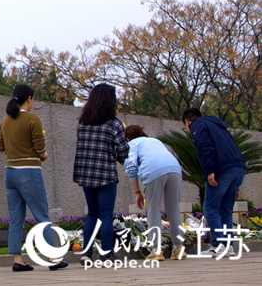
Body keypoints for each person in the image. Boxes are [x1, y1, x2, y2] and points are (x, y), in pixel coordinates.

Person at [0, 85, 67, 272]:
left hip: (9, 172)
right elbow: (39, 146)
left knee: (15, 218)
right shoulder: (32, 119)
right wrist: (43, 155)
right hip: (28, 172)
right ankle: (52, 256)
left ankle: (17, 259)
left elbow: (1, 147)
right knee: (41, 214)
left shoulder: (5, 120)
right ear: (29, 98)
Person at [72, 83, 129, 260]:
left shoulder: (82, 123)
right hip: (106, 175)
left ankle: (86, 253)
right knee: (106, 215)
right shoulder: (114, 124)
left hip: (86, 174)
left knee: (92, 213)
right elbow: (123, 151)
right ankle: (106, 255)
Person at [182, 107, 248, 252]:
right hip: (239, 168)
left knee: (210, 207)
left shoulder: (196, 126)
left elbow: (206, 148)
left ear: (187, 121)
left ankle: (218, 245)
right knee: (225, 209)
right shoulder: (218, 126)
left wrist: (210, 171)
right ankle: (228, 246)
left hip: (222, 170)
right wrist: (236, 186)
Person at [123, 125, 184, 261]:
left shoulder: (132, 144)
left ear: (127, 138)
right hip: (175, 170)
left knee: (153, 210)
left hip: (153, 171)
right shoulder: (155, 141)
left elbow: (131, 167)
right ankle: (179, 247)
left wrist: (137, 192)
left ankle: (156, 250)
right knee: (174, 208)